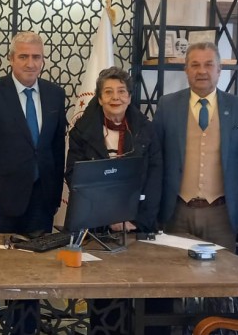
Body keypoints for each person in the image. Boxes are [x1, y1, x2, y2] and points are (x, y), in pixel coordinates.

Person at [0, 31, 68, 335]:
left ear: (43, 60)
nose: (30, 63)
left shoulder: (55, 94)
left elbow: (55, 150)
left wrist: (54, 199)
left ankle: (25, 329)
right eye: (23, 56)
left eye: (36, 57)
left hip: (40, 202)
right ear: (11, 59)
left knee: (32, 277)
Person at [65, 66, 162, 333]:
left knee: (139, 295)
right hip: (96, 229)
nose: (115, 97)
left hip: (136, 227)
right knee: (104, 299)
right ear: (99, 98)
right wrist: (107, 216)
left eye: (121, 91)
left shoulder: (146, 131)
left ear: (129, 97)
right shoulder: (81, 131)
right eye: (108, 92)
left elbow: (155, 179)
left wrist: (135, 220)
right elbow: (74, 176)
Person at [154, 42, 238, 251]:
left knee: (221, 270)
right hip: (176, 212)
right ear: (186, 70)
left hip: (222, 215)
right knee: (173, 269)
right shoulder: (167, 106)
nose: (202, 71)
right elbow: (156, 162)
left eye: (209, 64)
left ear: (219, 70)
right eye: (195, 65)